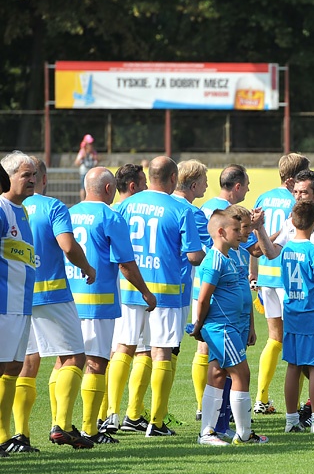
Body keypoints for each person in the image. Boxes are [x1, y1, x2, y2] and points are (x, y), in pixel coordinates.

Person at [117, 156, 204, 437]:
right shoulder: (181, 209)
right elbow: (193, 256)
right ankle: (155, 421)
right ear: (173, 178)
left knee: (129, 348)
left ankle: (118, 415)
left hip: (129, 288)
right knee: (161, 352)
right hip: (165, 291)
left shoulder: (126, 204)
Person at [68, 168, 156, 445]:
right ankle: (89, 429)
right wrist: (145, 292)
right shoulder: (110, 216)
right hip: (98, 301)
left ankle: (61, 422)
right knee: (96, 362)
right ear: (109, 189)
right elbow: (126, 264)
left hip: (68, 299)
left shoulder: (69, 212)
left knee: (67, 363)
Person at [16, 157, 96, 450]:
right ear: (44, 179)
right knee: (74, 356)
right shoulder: (53, 207)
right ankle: (61, 425)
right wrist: (87, 268)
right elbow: (67, 246)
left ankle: (18, 435)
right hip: (52, 293)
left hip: (18, 294)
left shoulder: (8, 206)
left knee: (27, 363)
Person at [191, 209, 267, 445]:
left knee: (217, 374)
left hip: (232, 327)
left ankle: (208, 432)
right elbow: (204, 298)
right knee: (241, 374)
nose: (241, 234)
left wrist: (249, 324)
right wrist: (199, 326)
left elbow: (240, 292)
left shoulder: (230, 257)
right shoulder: (214, 260)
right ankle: (243, 433)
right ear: (222, 232)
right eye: (236, 230)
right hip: (222, 328)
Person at [252, 153, 308, 415]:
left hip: (266, 274)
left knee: (274, 338)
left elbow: (256, 233)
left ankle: (261, 397)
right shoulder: (297, 200)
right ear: (293, 179)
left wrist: (254, 274)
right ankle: (296, 404)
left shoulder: (263, 197)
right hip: (289, 275)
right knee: (296, 340)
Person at [278, 200, 314, 434]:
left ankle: (291, 420)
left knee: (293, 365)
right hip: (313, 314)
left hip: (291, 312)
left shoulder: (286, 250)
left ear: (292, 221)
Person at [0, 152, 37, 456]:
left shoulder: (22, 211)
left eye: (34, 174)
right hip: (3, 305)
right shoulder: (1, 209)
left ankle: (6, 436)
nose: (33, 180)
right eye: (26, 175)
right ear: (8, 177)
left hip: (21, 303)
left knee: (13, 367)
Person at [170, 160, 213, 421]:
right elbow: (207, 250)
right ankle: (158, 414)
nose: (208, 185)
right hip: (176, 285)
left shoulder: (160, 203)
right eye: (206, 180)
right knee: (170, 349)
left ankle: (129, 412)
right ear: (194, 184)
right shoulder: (191, 212)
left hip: (141, 286)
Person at [74, 134, 100, 202]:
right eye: (89, 144)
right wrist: (82, 158)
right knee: (83, 188)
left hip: (91, 173)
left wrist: (94, 158)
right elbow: (76, 162)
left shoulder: (93, 152)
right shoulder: (82, 152)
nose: (90, 145)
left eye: (91, 144)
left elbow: (97, 161)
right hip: (84, 172)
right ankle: (83, 201)